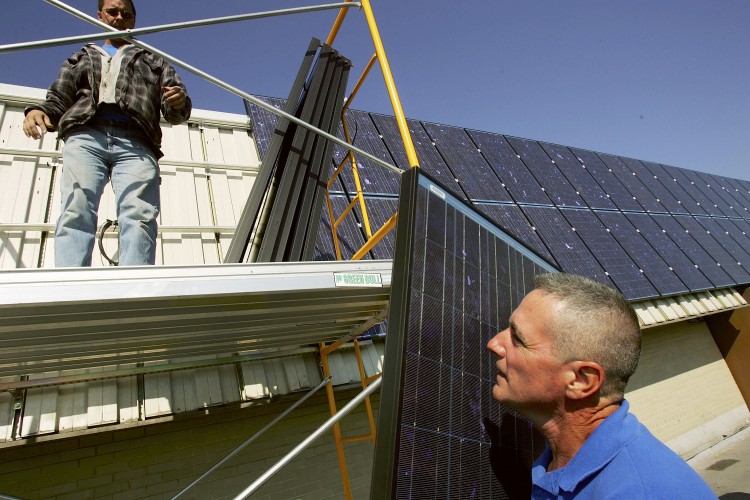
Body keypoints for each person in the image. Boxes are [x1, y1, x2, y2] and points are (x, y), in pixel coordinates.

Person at [487, 273, 716, 499]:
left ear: (582, 381)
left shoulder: (638, 493)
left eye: (518, 339)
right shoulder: (556, 459)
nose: (494, 343)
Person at [23, 0, 191, 267]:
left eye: (126, 14)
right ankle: (71, 283)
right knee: (77, 207)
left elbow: (176, 113)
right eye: (112, 12)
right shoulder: (81, 56)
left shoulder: (155, 61)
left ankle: (135, 285)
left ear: (133, 21)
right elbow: (58, 98)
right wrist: (37, 110)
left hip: (136, 141)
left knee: (139, 212)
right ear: (100, 15)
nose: (119, 17)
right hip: (86, 135)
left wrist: (179, 102)